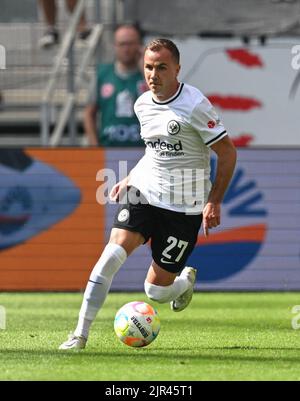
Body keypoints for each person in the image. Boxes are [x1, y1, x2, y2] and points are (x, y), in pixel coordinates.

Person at [59, 38, 237, 350]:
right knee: (110, 257)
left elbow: (227, 152)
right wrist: (131, 177)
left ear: (177, 69)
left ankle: (182, 283)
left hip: (184, 208)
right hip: (146, 194)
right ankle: (79, 335)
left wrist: (215, 200)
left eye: (161, 68)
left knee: (155, 292)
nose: (153, 74)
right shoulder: (142, 105)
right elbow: (154, 152)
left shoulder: (194, 104)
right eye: (148, 67)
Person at [84, 24, 147, 147]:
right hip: (110, 149)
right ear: (115, 46)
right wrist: (94, 146)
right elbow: (89, 113)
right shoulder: (102, 74)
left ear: (139, 46)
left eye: (130, 43)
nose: (126, 49)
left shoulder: (149, 76)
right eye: (122, 44)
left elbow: (163, 104)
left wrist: (146, 68)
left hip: (143, 151)